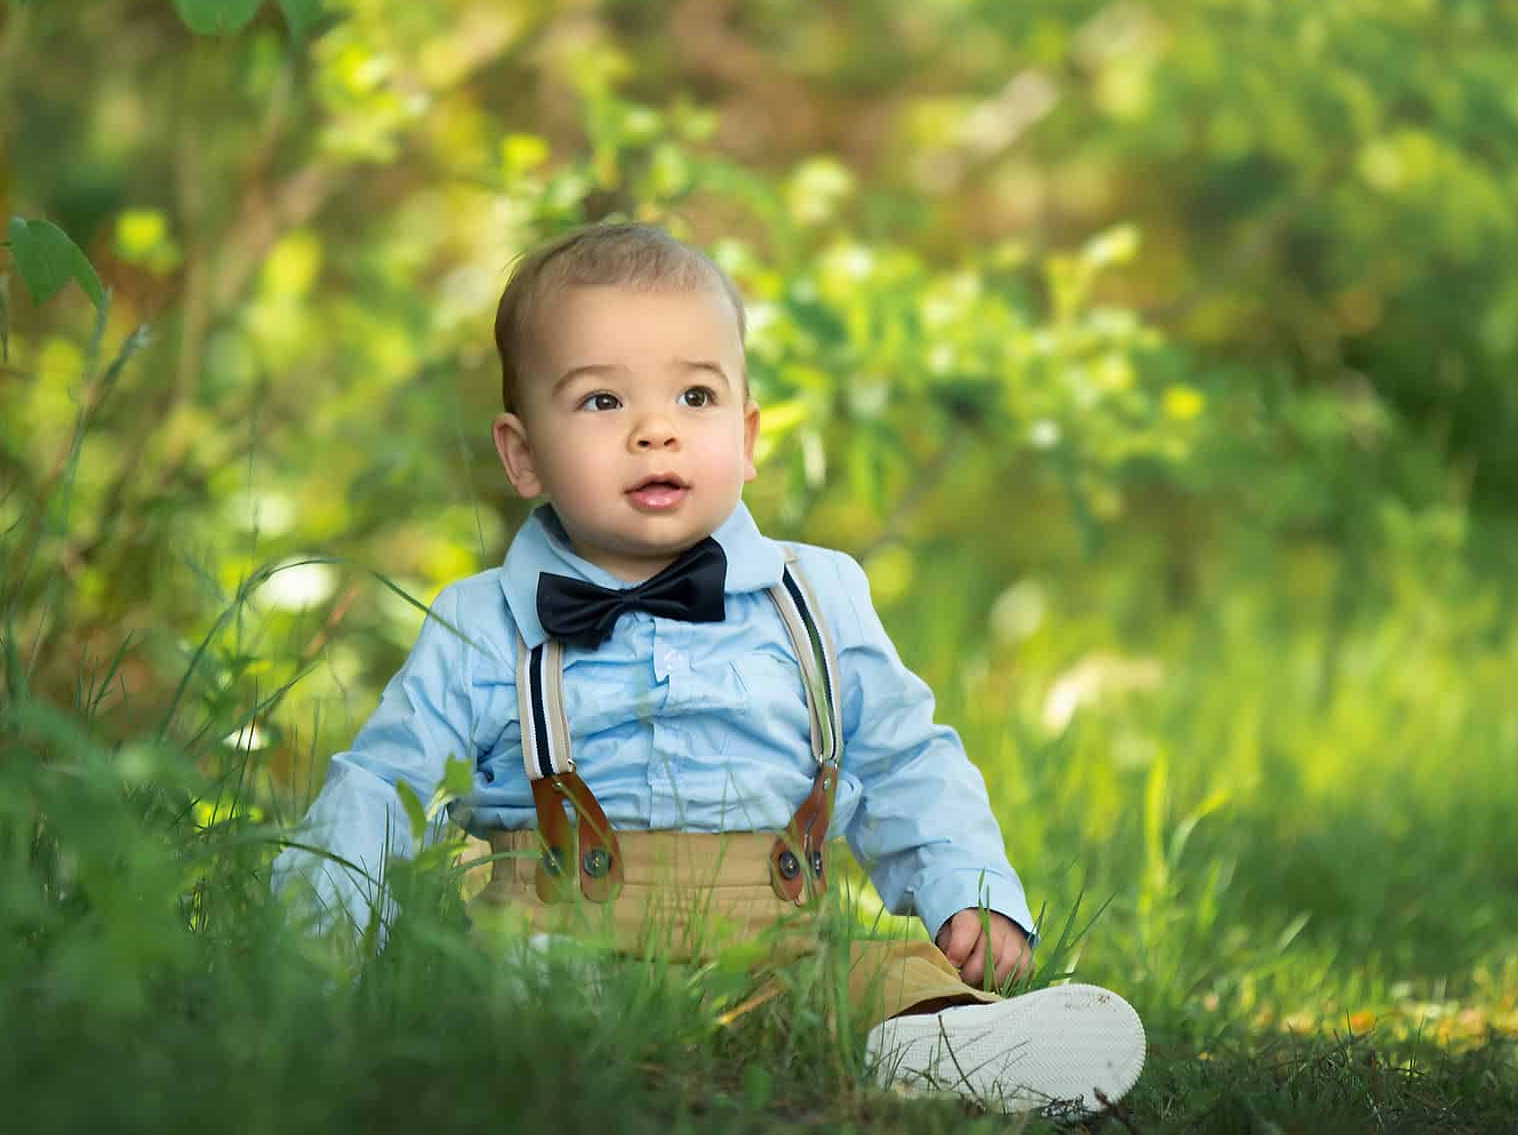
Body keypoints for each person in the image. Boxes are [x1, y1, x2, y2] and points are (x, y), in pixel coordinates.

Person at [274, 223, 1144, 1112]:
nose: (656, 431)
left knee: (880, 976)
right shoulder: (484, 620)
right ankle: (557, 1045)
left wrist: (973, 892)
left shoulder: (817, 596)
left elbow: (902, 757)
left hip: (780, 951)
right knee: (517, 980)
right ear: (523, 453)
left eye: (695, 394)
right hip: (560, 942)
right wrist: (316, 949)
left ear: (749, 431)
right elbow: (384, 783)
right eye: (602, 403)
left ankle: (941, 1044)